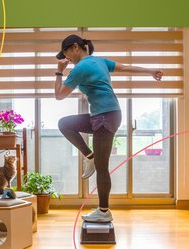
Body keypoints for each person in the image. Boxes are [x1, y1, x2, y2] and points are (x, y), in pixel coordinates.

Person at [54, 34, 163, 222]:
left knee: (101, 167)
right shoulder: (99, 61)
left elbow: (59, 95)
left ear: (75, 47)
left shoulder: (80, 68)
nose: (67, 59)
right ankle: (90, 156)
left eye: (66, 54)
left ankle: (103, 211)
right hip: (104, 114)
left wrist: (58, 72)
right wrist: (150, 70)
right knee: (65, 124)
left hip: (105, 116)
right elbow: (127, 67)